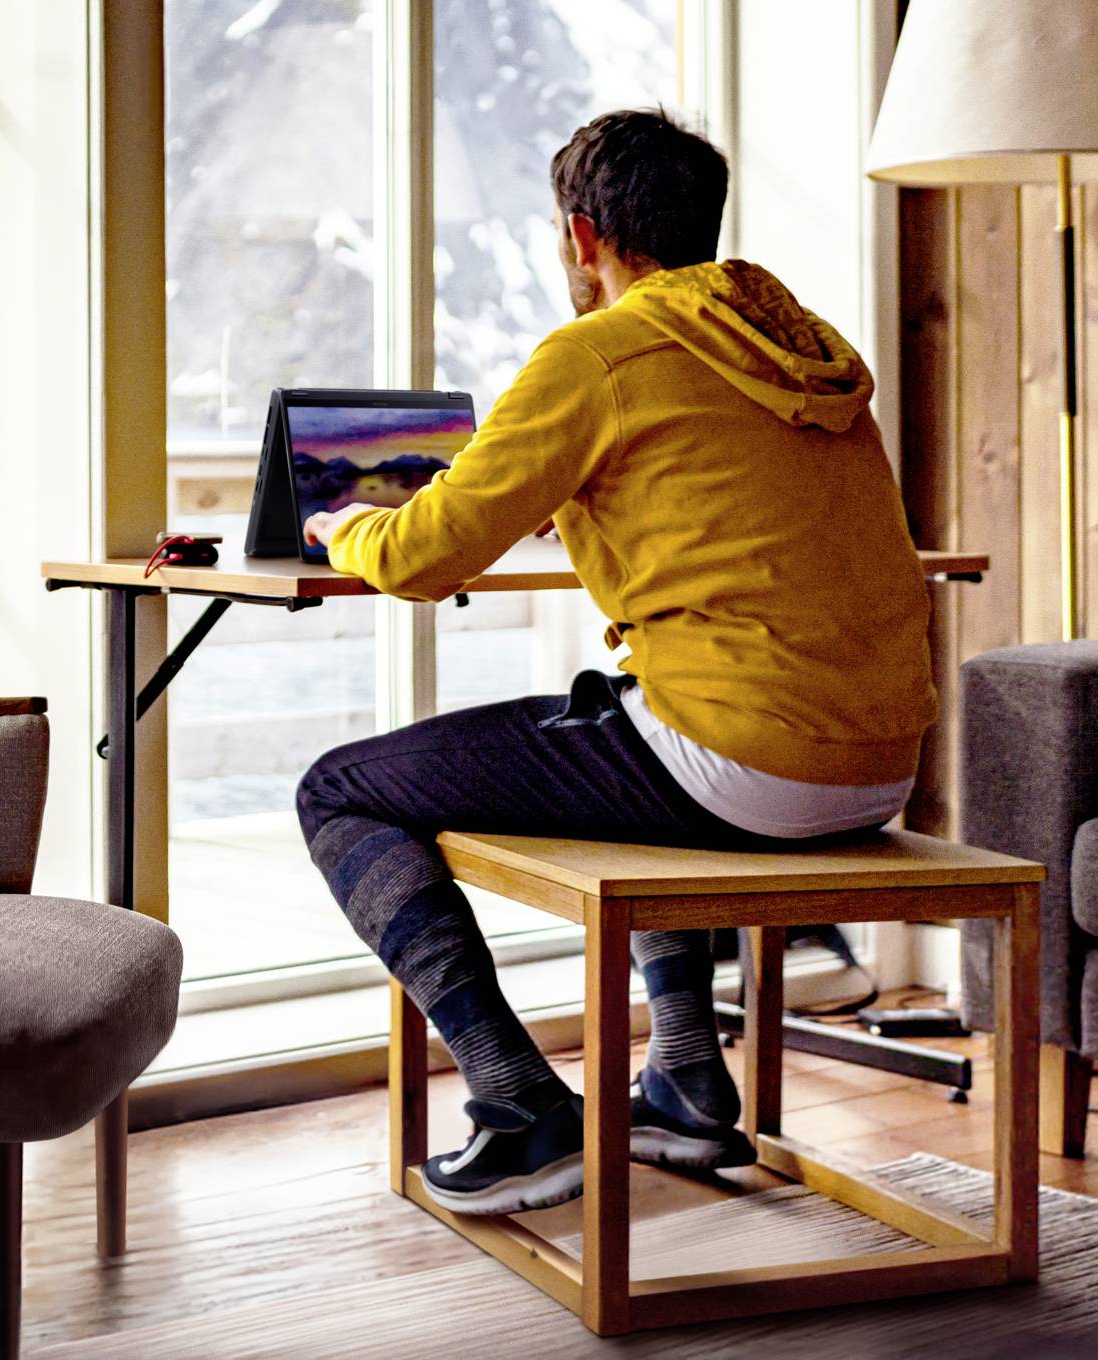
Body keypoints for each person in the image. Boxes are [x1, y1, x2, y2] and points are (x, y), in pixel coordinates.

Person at [297, 107, 934, 1217]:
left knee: (339, 789)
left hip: (749, 760)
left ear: (582, 236)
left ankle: (518, 1108)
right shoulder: (803, 348)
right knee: (625, 708)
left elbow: (417, 554)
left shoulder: (599, 353)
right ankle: (685, 1079)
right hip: (882, 762)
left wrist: (339, 522)